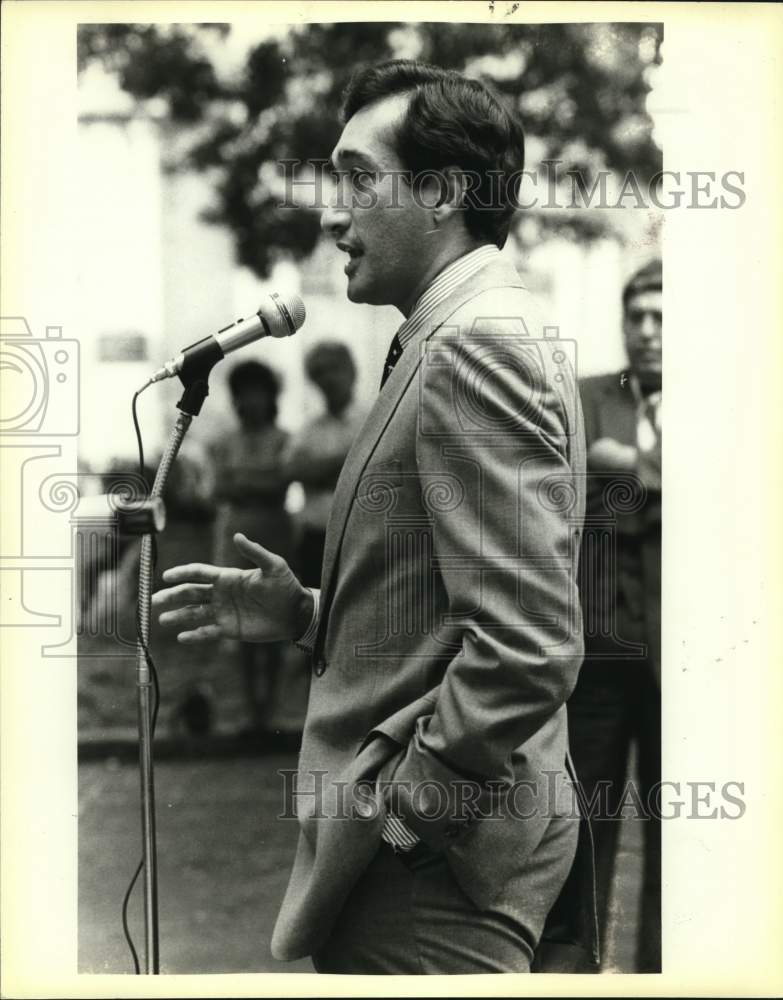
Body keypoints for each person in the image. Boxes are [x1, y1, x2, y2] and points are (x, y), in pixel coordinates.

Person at [154, 59, 593, 974]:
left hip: (434, 882)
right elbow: (459, 601)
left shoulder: (474, 349)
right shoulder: (459, 332)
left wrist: (406, 823)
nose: (333, 210)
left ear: (438, 193)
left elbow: (527, 646)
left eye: (359, 177)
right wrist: (311, 616)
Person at [568, 258, 662, 971]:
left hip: (681, 654)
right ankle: (576, 976)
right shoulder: (589, 396)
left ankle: (669, 974)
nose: (648, 331)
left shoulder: (723, 397)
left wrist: (619, 465)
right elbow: (567, 486)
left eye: (662, 317)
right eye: (636, 316)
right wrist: (647, 467)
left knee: (678, 840)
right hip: (598, 645)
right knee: (582, 832)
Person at [209, 360, 295, 738]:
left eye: (258, 392)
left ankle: (271, 710)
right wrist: (255, 482)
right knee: (241, 617)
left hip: (274, 530)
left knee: (273, 616)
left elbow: (281, 483)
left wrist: (246, 483)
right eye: (244, 393)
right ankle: (250, 711)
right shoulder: (224, 442)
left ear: (270, 397)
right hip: (237, 532)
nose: (251, 400)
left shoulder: (284, 438)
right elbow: (218, 489)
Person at [284, 341, 366, 588]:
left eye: (334, 368)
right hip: (316, 538)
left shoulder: (373, 418)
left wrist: (319, 471)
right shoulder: (308, 429)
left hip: (361, 535)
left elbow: (377, 472)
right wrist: (349, 460)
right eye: (319, 372)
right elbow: (292, 470)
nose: (328, 378)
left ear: (351, 370)